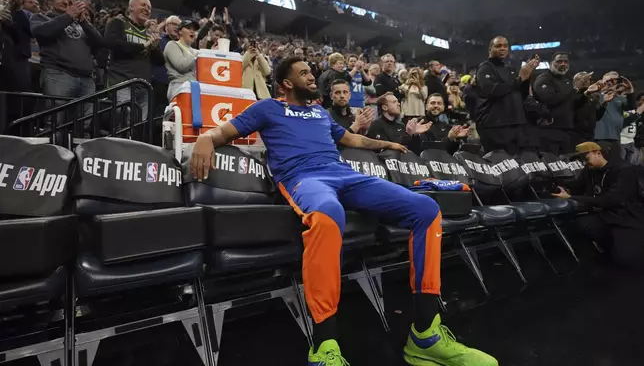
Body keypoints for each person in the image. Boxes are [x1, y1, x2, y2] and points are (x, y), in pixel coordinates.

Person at [189, 56, 497, 366]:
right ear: (286, 83)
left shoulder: (319, 113)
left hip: (346, 175)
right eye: (304, 73)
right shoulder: (267, 108)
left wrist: (386, 145)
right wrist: (205, 138)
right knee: (326, 215)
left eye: (312, 71)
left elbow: (350, 138)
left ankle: (426, 336)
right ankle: (325, 347)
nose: (313, 77)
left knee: (426, 209)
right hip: (304, 178)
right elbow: (223, 132)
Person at [553, 142, 644, 269]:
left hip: (627, 218)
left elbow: (610, 200)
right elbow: (577, 183)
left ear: (598, 153)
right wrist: (554, 181)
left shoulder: (624, 170)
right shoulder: (589, 170)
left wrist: (570, 197)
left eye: (586, 158)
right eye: (581, 161)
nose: (584, 163)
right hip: (605, 215)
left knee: (625, 261)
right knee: (578, 225)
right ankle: (605, 247)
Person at [475, 36, 538, 154]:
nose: (502, 48)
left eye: (505, 46)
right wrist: (519, 79)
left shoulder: (510, 69)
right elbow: (494, 91)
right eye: (498, 46)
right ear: (490, 49)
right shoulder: (485, 68)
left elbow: (521, 95)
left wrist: (527, 77)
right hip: (495, 126)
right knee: (500, 164)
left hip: (516, 124)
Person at [531, 52, 592, 155]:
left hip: (567, 130)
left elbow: (574, 104)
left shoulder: (567, 81)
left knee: (566, 165)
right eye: (559, 61)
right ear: (551, 64)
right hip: (550, 131)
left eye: (565, 62)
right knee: (553, 164)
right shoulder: (544, 79)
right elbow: (550, 100)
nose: (563, 64)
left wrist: (586, 94)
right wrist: (575, 88)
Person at [367, 92, 432, 146]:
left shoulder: (401, 125)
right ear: (384, 107)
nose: (398, 104)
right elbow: (386, 147)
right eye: (394, 102)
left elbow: (413, 150)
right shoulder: (376, 125)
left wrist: (414, 135)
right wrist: (408, 135)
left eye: (398, 101)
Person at [163, 20, 200, 101]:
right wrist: (200, 54)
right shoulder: (172, 45)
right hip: (179, 87)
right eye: (188, 28)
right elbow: (181, 66)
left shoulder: (196, 51)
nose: (192, 31)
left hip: (194, 88)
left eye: (194, 30)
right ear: (180, 31)